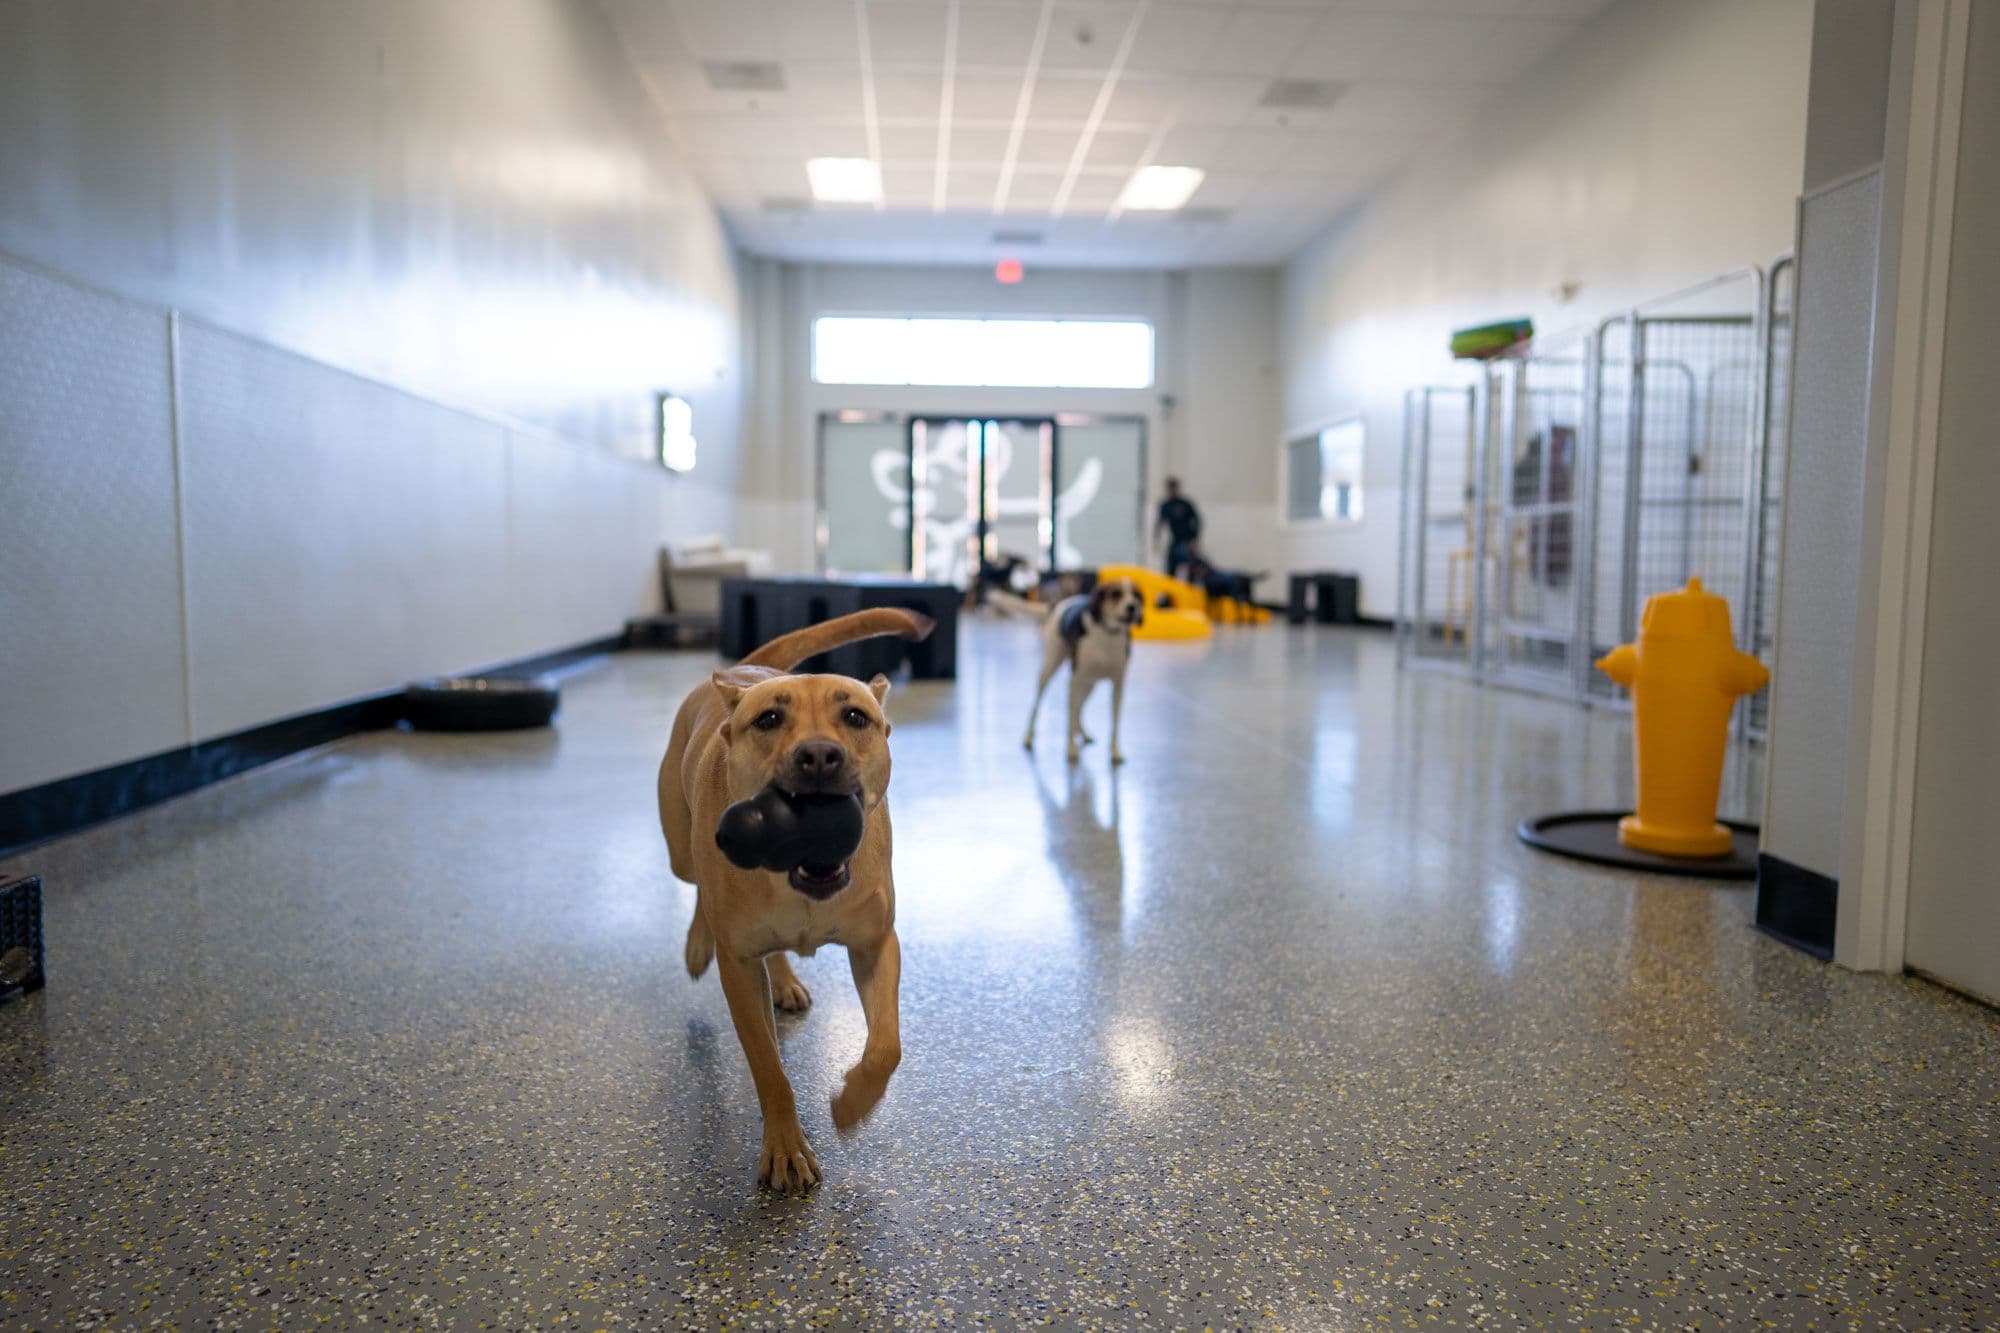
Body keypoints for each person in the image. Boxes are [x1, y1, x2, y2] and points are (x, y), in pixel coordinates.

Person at [1154, 477, 1202, 580]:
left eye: (1174, 488)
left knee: (1191, 568)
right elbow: (1159, 524)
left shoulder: (1185, 504)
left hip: (1187, 541)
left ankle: (1190, 591)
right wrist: (1156, 540)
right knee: (1170, 569)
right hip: (1175, 540)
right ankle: (1170, 593)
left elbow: (1197, 520)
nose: (1172, 491)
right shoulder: (1165, 505)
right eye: (1170, 488)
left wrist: (1195, 539)